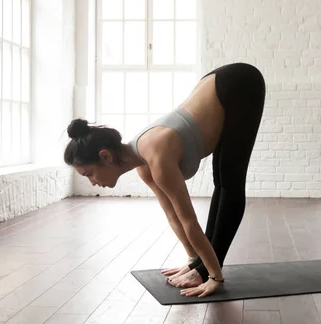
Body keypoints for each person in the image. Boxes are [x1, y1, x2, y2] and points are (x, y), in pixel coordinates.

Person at [63, 62, 266, 298]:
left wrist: (214, 278)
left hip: (240, 84)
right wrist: (192, 259)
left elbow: (190, 222)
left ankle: (211, 272)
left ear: (105, 156)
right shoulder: (144, 167)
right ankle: (201, 266)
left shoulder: (156, 159)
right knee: (221, 180)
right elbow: (173, 216)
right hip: (218, 87)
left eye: (88, 174)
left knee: (229, 179)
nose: (92, 183)